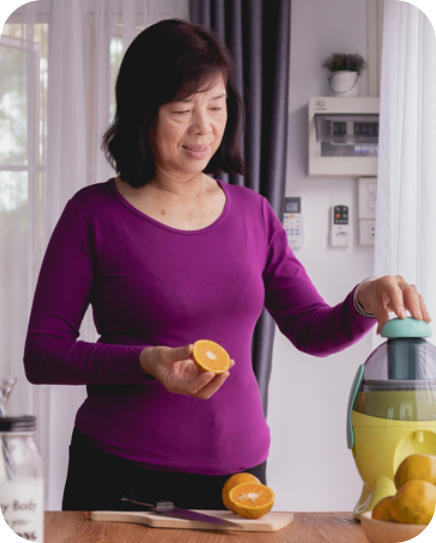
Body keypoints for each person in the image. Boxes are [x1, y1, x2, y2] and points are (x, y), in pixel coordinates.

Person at [23, 19, 430, 511]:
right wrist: (146, 361)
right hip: (119, 475)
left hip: (239, 477)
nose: (203, 127)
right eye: (181, 110)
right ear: (140, 114)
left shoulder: (253, 213)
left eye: (216, 105)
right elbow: (43, 354)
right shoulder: (93, 214)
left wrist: (364, 300)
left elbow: (313, 330)